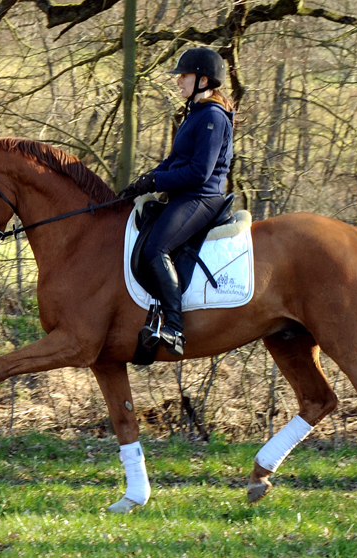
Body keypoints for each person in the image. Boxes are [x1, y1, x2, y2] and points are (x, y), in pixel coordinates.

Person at [121, 47, 235, 357]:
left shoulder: (212, 116)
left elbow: (199, 172)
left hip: (202, 197)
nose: (178, 81)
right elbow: (174, 160)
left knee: (157, 248)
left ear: (203, 80)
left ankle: (174, 327)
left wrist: (159, 182)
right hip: (185, 195)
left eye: (183, 76)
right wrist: (145, 180)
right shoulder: (194, 114)